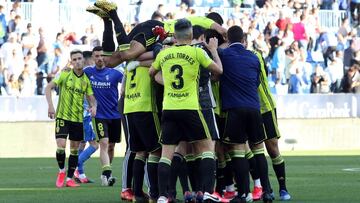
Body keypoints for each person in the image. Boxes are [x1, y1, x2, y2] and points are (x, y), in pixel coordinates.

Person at [149, 18, 223, 203]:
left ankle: (163, 196)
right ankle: (207, 192)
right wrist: (213, 51)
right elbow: (218, 71)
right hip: (190, 108)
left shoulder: (164, 54)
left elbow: (152, 73)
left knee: (167, 153)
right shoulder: (196, 52)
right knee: (206, 148)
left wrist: (166, 82)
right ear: (190, 35)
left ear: (175, 35)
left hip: (169, 108)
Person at [219, 25, 272, 203]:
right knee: (258, 150)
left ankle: (244, 193)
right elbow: (256, 82)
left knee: (237, 151)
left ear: (227, 40)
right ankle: (266, 191)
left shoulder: (223, 55)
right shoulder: (254, 57)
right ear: (244, 40)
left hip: (235, 109)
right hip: (254, 108)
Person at [86, 0, 226, 67]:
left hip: (149, 31)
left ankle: (106, 19)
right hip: (155, 29)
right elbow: (203, 20)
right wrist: (221, 29)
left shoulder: (196, 38)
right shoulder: (199, 24)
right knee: (127, 54)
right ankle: (113, 12)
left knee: (109, 62)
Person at [45, 49, 97, 188]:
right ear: (71, 62)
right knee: (61, 145)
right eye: (74, 59)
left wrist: (94, 107)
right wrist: (50, 106)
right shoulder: (64, 74)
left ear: (83, 60)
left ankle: (69, 178)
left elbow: (92, 99)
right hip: (62, 116)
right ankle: (62, 171)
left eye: (79, 58)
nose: (78, 61)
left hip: (77, 120)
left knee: (74, 150)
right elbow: (48, 87)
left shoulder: (86, 80)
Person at [83, 46, 123, 186]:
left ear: (105, 57)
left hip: (115, 115)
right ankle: (107, 173)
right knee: (104, 143)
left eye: (102, 55)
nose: (100, 58)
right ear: (93, 58)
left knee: (111, 146)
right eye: (97, 56)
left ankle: (107, 173)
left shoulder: (115, 73)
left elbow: (128, 82)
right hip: (98, 114)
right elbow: (74, 75)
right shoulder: (88, 72)